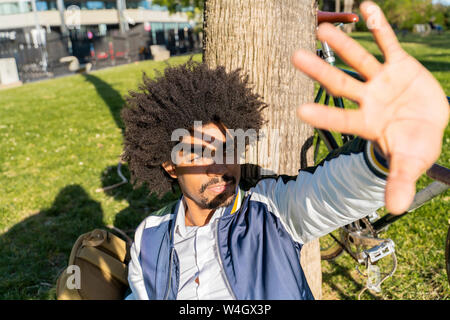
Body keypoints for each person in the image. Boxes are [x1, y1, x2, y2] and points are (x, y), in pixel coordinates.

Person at [120, 1, 448, 300]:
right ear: (169, 165)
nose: (220, 166)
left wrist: (384, 151)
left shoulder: (269, 210)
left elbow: (332, 191)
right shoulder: (149, 240)